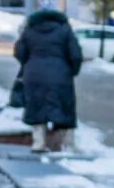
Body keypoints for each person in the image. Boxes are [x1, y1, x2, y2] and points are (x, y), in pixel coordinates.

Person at [14, 8, 83, 152]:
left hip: (34, 74)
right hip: (61, 74)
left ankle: (38, 143)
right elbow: (75, 54)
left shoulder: (30, 29)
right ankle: (67, 144)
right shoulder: (65, 29)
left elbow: (19, 52)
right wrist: (72, 71)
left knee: (36, 106)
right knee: (64, 108)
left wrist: (29, 64)